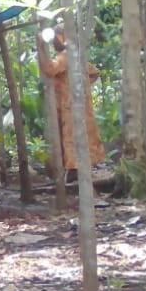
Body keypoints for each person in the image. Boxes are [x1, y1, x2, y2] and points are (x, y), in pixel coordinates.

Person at [38, 29, 105, 179]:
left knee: (71, 136)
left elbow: (49, 69)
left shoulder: (65, 57)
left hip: (70, 105)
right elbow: (94, 72)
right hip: (82, 105)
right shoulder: (77, 57)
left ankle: (74, 170)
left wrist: (41, 48)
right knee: (83, 134)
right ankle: (81, 168)